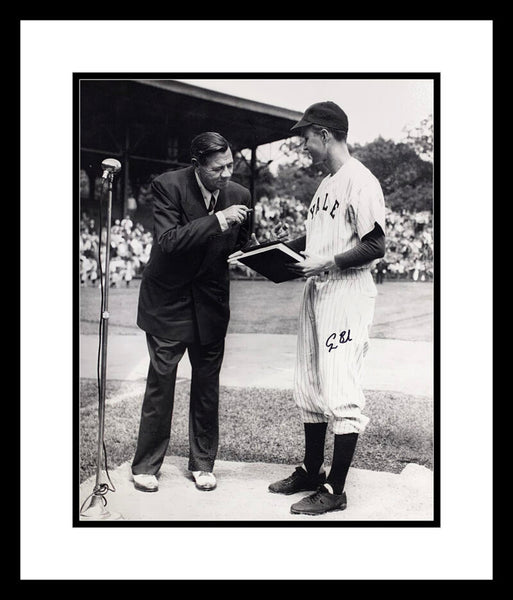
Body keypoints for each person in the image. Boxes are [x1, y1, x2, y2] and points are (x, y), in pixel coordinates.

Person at [268, 101, 386, 515]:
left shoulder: (361, 181)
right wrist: (276, 249)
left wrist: (329, 261)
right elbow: (317, 242)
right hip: (318, 290)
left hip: (347, 291)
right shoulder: (324, 187)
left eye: (305, 136)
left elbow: (376, 245)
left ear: (324, 134)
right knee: (310, 383)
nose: (303, 144)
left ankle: (335, 490)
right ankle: (312, 469)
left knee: (341, 389)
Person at [132, 131, 252, 493]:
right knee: (161, 383)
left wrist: (264, 252)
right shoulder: (168, 185)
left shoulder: (241, 195)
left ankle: (202, 463)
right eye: (218, 169)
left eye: (230, 165)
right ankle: (147, 465)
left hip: (212, 304)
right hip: (169, 303)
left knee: (206, 386)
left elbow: (243, 243)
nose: (227, 174)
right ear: (197, 165)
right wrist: (218, 220)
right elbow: (168, 242)